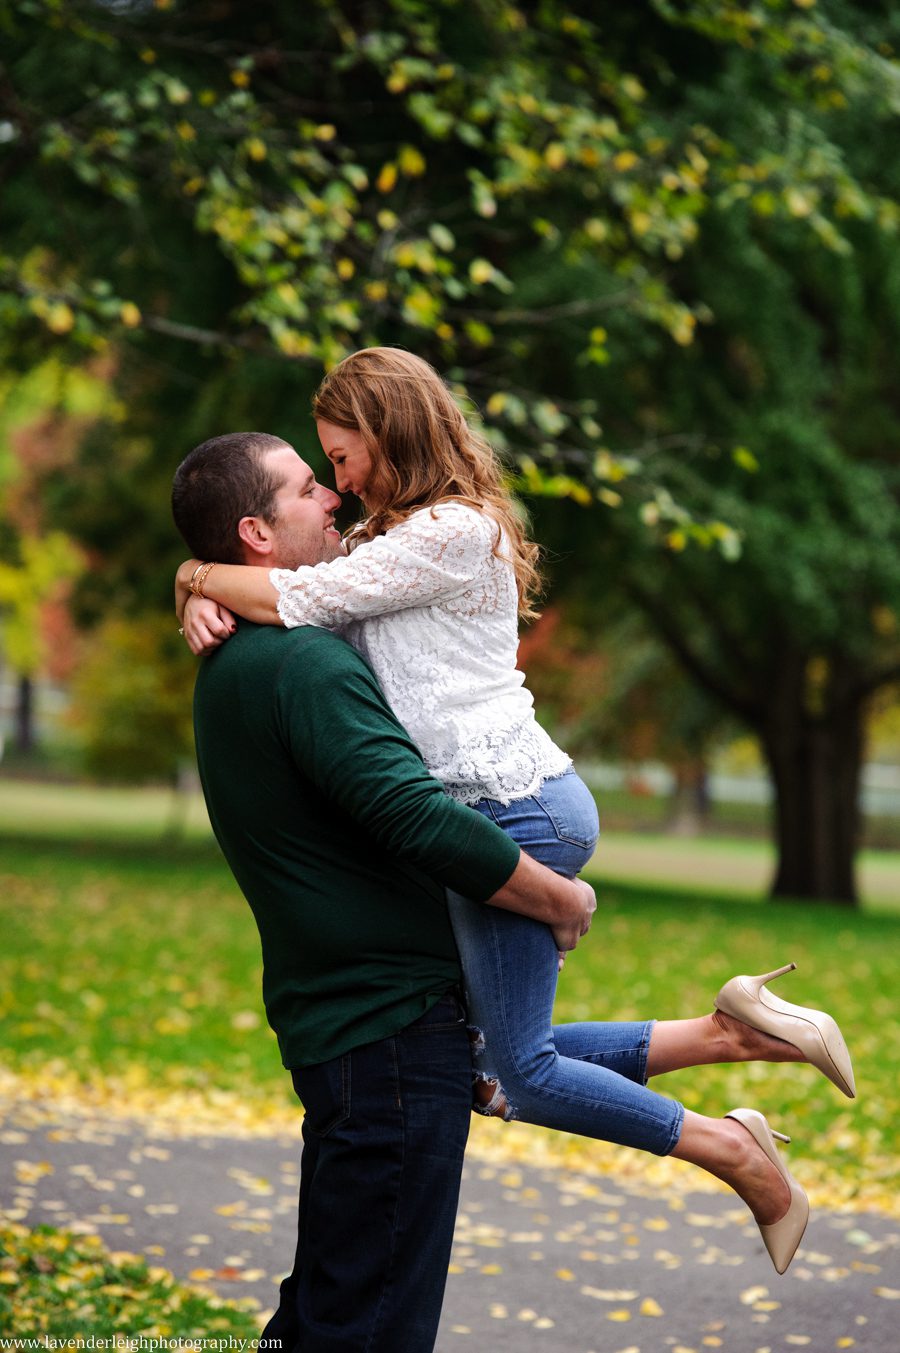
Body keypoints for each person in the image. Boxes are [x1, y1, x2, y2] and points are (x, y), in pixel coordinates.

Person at [175, 356, 855, 1278]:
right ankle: (733, 1033)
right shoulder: (387, 533)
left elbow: (296, 595)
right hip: (497, 804)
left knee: (516, 1072)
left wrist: (198, 574)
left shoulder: (453, 530)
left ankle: (735, 1150)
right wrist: (201, 579)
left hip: (514, 808)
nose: (339, 484)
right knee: (483, 1061)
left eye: (341, 457)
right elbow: (295, 584)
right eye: (322, 470)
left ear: (390, 432)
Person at [171, 431, 597, 1352]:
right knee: (371, 1325)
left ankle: (734, 1042)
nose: (333, 496)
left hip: (342, 1023)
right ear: (256, 532)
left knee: (329, 1305)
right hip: (390, 1035)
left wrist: (196, 578)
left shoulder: (237, 658)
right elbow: (418, 817)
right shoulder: (307, 665)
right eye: (305, 487)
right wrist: (556, 897)